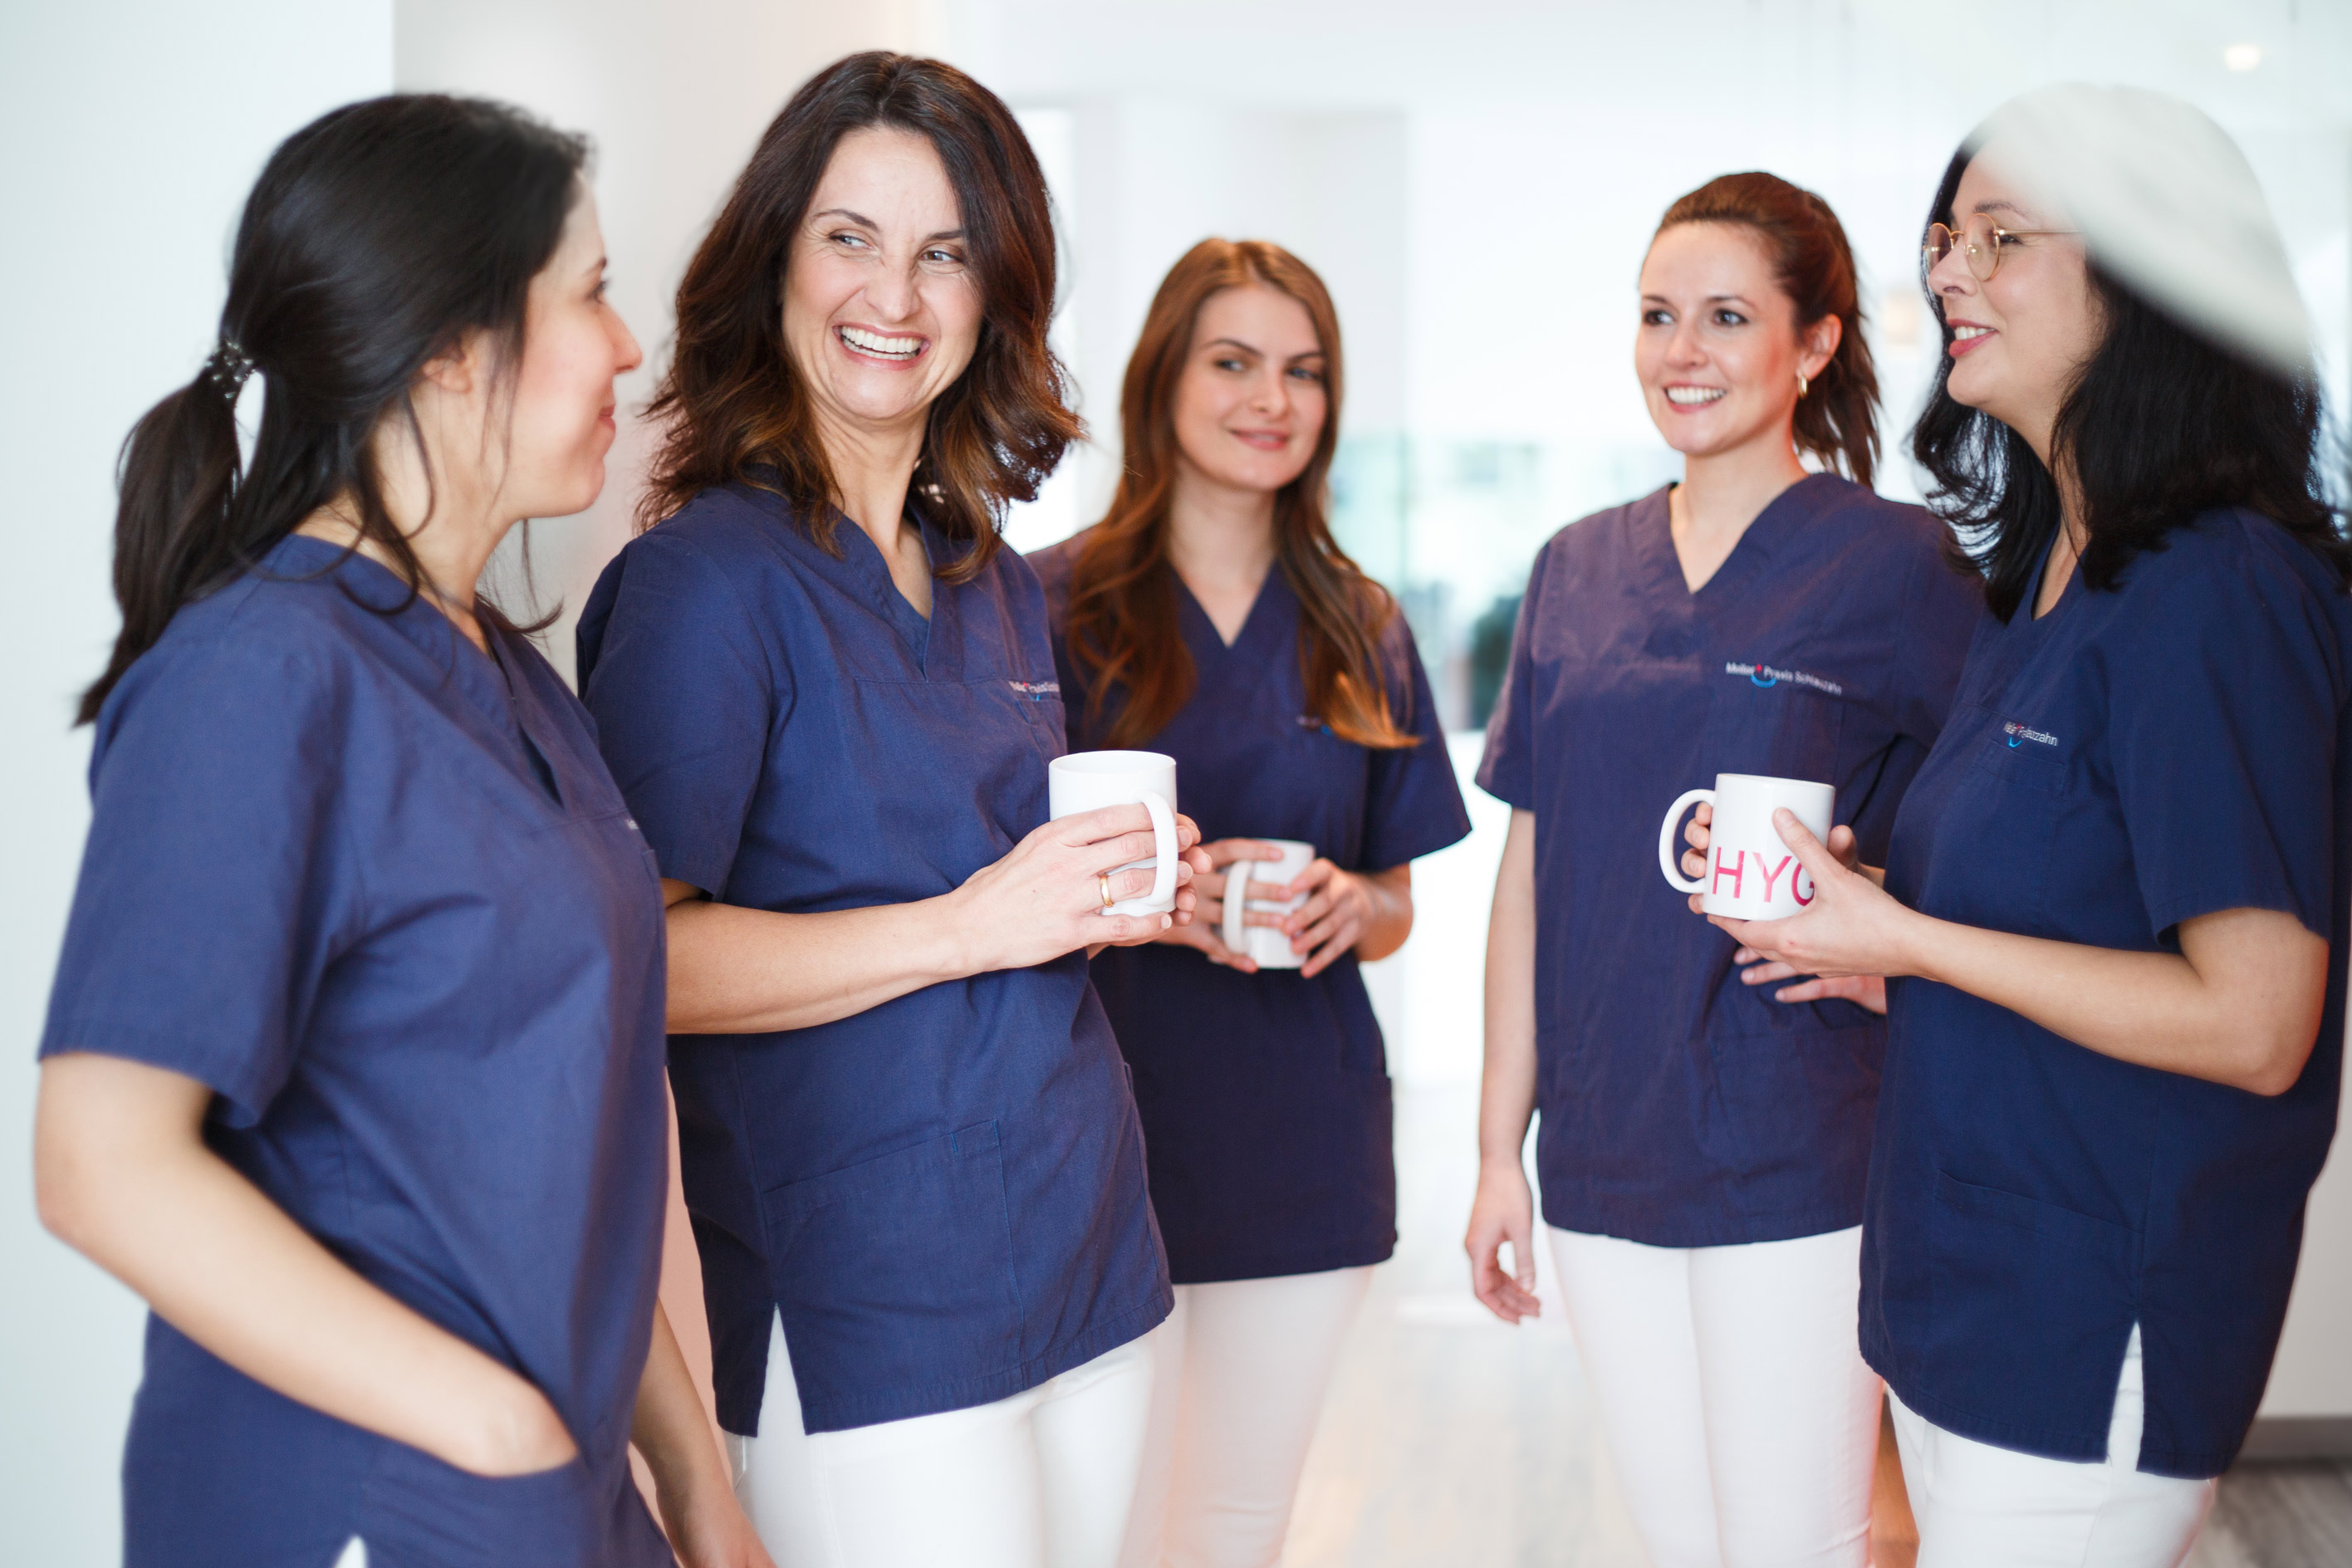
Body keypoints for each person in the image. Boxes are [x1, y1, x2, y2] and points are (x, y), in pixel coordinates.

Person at [32, 96, 762, 1568]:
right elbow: (100, 1164)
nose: (630, 345)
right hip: (365, 1499)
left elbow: (557, 1157)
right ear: (447, 343)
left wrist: (696, 1487)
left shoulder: (501, 666)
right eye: (593, 292)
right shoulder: (260, 677)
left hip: (556, 1491)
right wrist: (490, 1428)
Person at [575, 54, 1209, 1568]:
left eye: (947, 253)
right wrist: (974, 924)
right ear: (777, 256)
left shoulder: (988, 577)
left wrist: (1113, 887)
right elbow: (638, 963)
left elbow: (1009, 899)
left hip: (1094, 1255)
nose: (899, 296)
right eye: (852, 236)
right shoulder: (701, 590)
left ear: (997, 294)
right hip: (869, 1310)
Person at [1703, 86, 2350, 1567]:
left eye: (2003, 239)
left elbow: (2257, 1020)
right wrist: (1883, 946)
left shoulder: (2219, 589)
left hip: (2089, 1320)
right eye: (1947, 237)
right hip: (1963, 1297)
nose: (1948, 275)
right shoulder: (2050, 579)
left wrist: (1914, 938)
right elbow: (2059, 918)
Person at [1464, 173, 1983, 1568]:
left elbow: (2001, 828)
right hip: (1604, 1152)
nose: (1680, 351)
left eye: (1727, 316)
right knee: (1679, 1542)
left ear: (1813, 344)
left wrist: (1888, 918)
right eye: (1656, 316)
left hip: (1800, 1146)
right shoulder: (1574, 570)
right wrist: (1493, 1150)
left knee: (1795, 1545)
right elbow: (1529, 876)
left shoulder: (1900, 567)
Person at [1029, 238, 1470, 1568]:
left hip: (1300, 1138)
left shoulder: (1361, 623)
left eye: (1304, 371)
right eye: (1233, 362)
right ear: (1165, 376)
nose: (1270, 397)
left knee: (1232, 1527)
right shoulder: (1047, 608)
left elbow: (1397, 898)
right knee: (1093, 1526)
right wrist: (1134, 902)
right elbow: (994, 884)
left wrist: (1353, 910)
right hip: (1101, 1135)